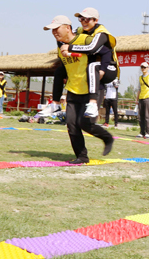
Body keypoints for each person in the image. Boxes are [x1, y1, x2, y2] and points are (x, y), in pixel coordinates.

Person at [44, 15, 113, 164]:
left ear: (68, 28)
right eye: (52, 30)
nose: (54, 32)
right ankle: (81, 156)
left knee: (85, 123)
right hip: (73, 89)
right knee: (71, 124)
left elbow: (106, 51)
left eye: (57, 29)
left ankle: (107, 138)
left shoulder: (85, 40)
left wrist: (102, 69)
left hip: (91, 89)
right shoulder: (60, 46)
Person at [57, 7, 119, 119]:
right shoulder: (80, 31)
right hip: (95, 70)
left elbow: (92, 48)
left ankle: (93, 103)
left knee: (92, 66)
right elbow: (67, 37)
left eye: (87, 19)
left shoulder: (102, 33)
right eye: (81, 19)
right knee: (59, 69)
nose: (83, 22)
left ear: (95, 20)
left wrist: (69, 47)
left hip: (109, 68)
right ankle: (55, 104)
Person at [135, 62, 149, 139]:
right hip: (141, 98)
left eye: (145, 67)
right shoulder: (140, 77)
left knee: (147, 116)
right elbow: (139, 89)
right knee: (140, 116)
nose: (143, 68)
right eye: (142, 67)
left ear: (148, 68)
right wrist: (137, 99)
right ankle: (141, 132)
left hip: (147, 98)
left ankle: (148, 133)